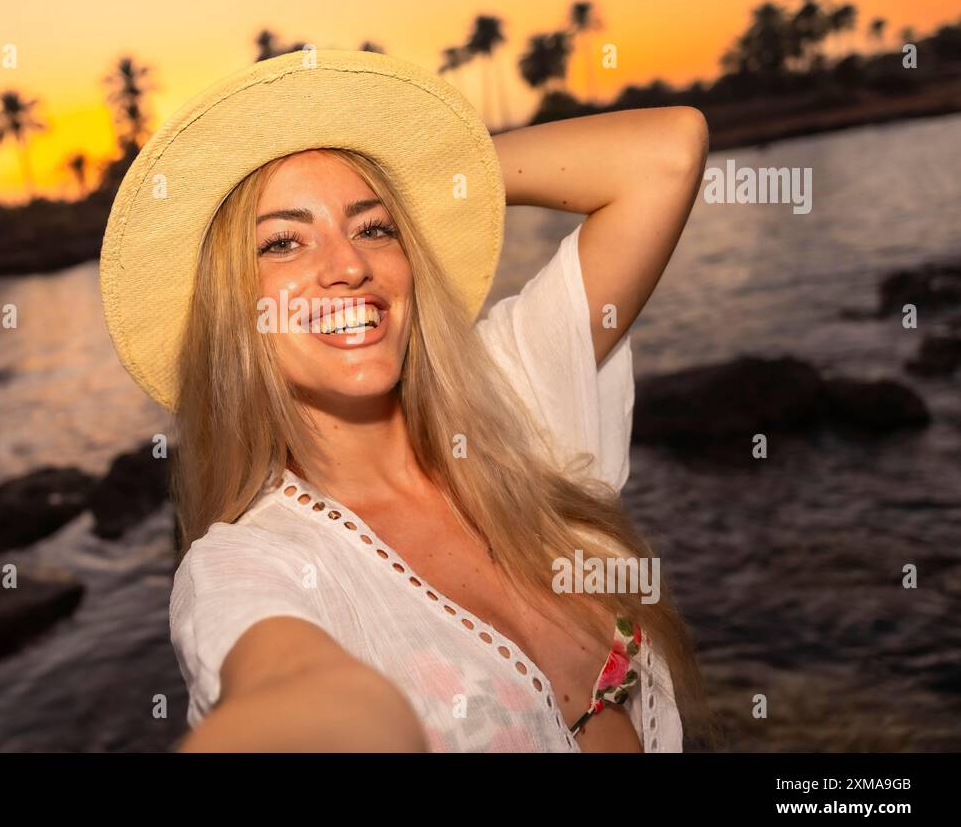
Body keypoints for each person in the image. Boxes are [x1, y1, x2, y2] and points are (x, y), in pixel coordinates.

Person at [100, 48, 711, 752]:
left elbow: (667, 151)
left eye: (374, 227)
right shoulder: (251, 565)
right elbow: (295, 695)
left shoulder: (510, 393)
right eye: (283, 242)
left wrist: (424, 180)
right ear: (232, 311)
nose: (350, 265)